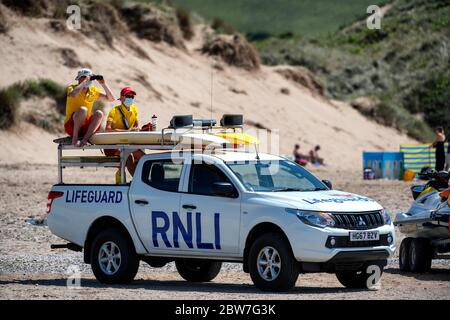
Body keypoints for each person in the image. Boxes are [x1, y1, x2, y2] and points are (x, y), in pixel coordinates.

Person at [64, 68, 115, 147]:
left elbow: (111, 99)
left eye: (88, 77)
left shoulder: (93, 91)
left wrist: (103, 84)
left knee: (99, 113)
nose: (87, 79)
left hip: (85, 127)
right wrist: (84, 82)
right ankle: (75, 138)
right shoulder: (72, 87)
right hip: (71, 126)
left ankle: (85, 140)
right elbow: (73, 94)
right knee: (83, 110)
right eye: (84, 77)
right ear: (79, 79)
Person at [105, 87, 145, 182]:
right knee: (129, 155)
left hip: (127, 144)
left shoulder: (134, 109)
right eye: (128, 96)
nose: (130, 98)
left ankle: (145, 180)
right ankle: (138, 181)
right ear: (121, 97)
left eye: (132, 96)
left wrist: (138, 129)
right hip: (112, 145)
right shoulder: (114, 111)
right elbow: (107, 129)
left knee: (143, 156)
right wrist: (127, 132)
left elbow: (136, 126)